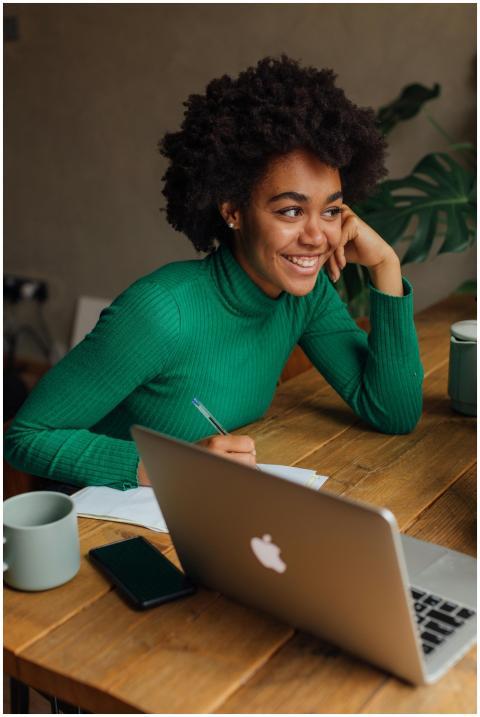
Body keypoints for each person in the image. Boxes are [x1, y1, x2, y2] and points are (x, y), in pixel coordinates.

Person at [4, 55, 424, 490]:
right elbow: (26, 437)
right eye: (291, 210)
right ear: (233, 212)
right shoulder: (162, 312)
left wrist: (385, 265)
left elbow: (392, 413)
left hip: (202, 507)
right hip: (101, 520)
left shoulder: (306, 297)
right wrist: (170, 463)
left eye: (332, 210)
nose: (317, 236)